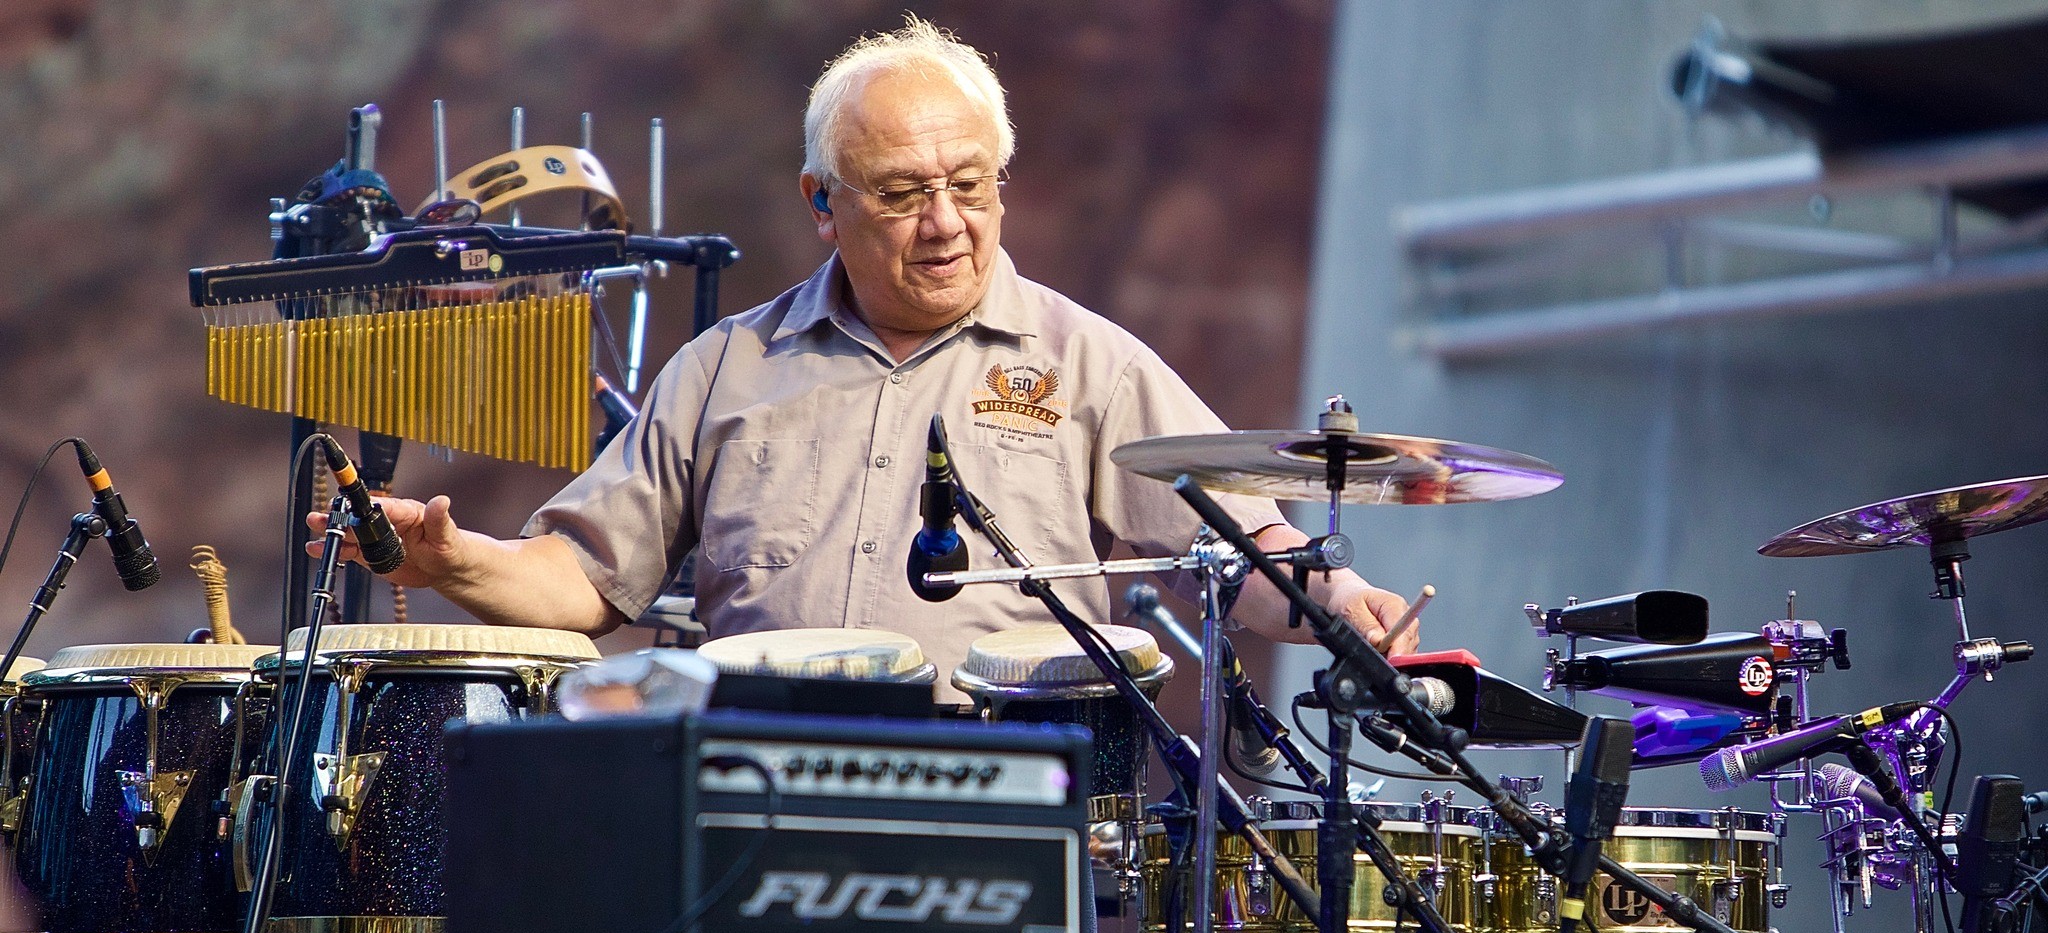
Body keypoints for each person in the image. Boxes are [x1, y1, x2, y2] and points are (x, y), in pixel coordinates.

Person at [310, 16, 1419, 687]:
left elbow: (1242, 550)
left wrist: (1344, 598)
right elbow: (591, 578)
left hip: (1001, 806)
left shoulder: (1090, 365)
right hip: (752, 802)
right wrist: (452, 561)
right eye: (900, 194)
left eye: (969, 186)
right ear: (821, 205)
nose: (945, 222)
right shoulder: (723, 372)